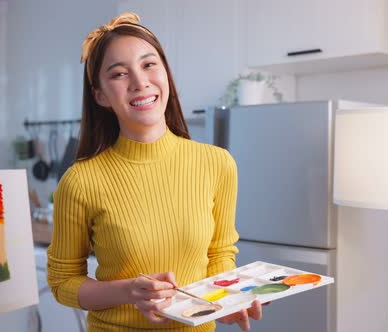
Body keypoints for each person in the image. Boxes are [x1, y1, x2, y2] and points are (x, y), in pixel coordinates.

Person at [47, 12, 263, 332]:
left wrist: (225, 303)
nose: (140, 82)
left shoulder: (217, 164)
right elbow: (62, 282)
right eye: (119, 74)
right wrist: (128, 291)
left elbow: (219, 255)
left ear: (165, 72)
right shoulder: (80, 181)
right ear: (100, 95)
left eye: (149, 64)